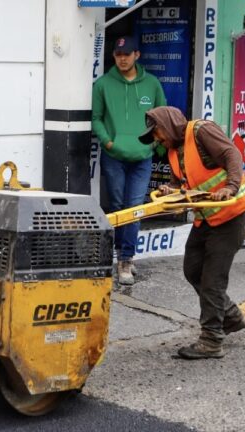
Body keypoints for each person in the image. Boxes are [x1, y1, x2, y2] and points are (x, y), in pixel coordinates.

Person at [139, 106, 245, 360]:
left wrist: (231, 186)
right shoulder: (173, 150)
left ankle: (212, 340)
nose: (157, 139)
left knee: (213, 280)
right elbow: (182, 183)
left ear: (168, 124)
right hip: (206, 219)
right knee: (193, 269)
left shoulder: (202, 131)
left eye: (157, 132)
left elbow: (232, 155)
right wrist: (170, 189)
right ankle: (231, 316)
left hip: (230, 216)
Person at [92, 36, 166, 285]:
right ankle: (120, 255)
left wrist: (154, 144)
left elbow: (162, 118)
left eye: (126, 54)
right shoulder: (103, 84)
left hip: (142, 158)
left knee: (134, 208)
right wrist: (108, 141)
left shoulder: (152, 84)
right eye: (117, 54)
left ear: (137, 55)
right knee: (118, 207)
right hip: (114, 156)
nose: (122, 58)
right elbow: (97, 118)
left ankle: (126, 259)